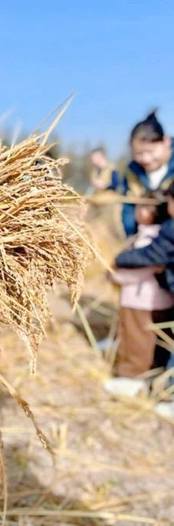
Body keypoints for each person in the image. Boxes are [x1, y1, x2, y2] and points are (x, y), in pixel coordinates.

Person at [105, 193, 173, 397]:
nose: (137, 211)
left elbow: (146, 267)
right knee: (148, 340)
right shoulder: (152, 234)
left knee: (136, 339)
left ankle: (132, 378)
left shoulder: (152, 238)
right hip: (151, 298)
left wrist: (116, 276)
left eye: (144, 207)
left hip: (141, 299)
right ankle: (151, 372)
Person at [119, 111, 174, 236]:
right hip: (147, 237)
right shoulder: (133, 172)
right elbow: (128, 207)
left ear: (166, 141)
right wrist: (131, 237)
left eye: (150, 151)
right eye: (138, 154)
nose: (146, 159)